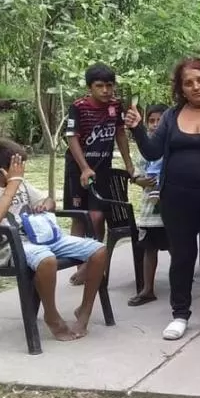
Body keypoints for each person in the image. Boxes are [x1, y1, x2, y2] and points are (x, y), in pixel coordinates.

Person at [124, 58, 200, 342]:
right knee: (182, 256)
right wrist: (137, 129)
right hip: (176, 198)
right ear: (181, 88)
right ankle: (180, 314)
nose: (196, 87)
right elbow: (153, 152)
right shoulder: (171, 116)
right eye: (188, 82)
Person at [0, 140, 108, 340]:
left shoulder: (23, 185)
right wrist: (14, 184)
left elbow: (49, 200)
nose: (22, 171)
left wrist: (45, 204)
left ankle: (84, 310)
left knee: (99, 251)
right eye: (19, 166)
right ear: (4, 171)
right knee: (47, 260)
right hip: (13, 247)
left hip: (44, 238)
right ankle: (51, 315)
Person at [64, 63, 133, 285]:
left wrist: (128, 162)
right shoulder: (79, 107)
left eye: (109, 85)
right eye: (100, 86)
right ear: (90, 87)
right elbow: (72, 137)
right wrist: (84, 167)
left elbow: (120, 133)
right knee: (78, 216)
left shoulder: (115, 106)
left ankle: (93, 263)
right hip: (78, 168)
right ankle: (80, 265)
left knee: (97, 216)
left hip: (102, 169)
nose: (105, 90)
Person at [128, 104, 169, 307]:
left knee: (177, 248)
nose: (154, 125)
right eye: (151, 121)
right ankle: (147, 289)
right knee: (149, 248)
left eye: (159, 121)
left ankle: (182, 284)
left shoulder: (172, 146)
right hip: (149, 209)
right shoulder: (145, 149)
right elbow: (136, 174)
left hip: (170, 208)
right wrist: (139, 181)